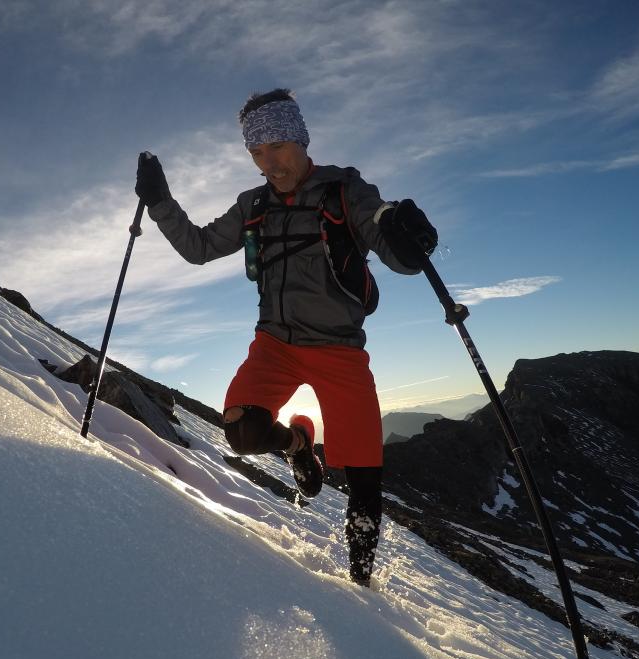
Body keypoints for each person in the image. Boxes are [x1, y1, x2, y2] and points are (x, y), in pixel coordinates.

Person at [135, 88, 438, 587]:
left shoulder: (345, 190)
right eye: (256, 152)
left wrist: (409, 238)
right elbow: (200, 247)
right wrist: (160, 203)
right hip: (274, 345)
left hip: (339, 350)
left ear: (300, 138)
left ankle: (361, 587)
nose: (269, 163)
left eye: (276, 146)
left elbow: (395, 251)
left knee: (364, 478)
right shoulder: (253, 204)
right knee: (241, 433)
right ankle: (299, 444)